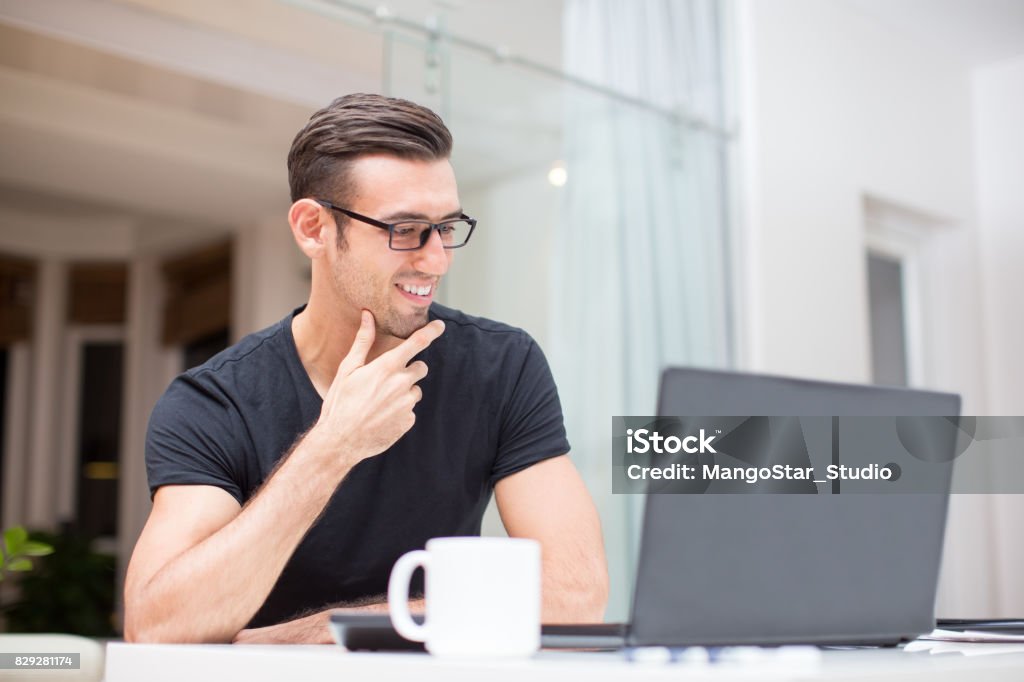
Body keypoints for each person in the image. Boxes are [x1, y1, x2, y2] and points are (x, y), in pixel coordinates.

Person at [124, 93, 609, 644]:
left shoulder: (502, 366)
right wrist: (334, 446)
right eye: (404, 229)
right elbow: (157, 626)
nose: (436, 259)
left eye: (447, 226)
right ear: (314, 229)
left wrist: (328, 630)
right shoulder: (215, 402)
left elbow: (575, 594)